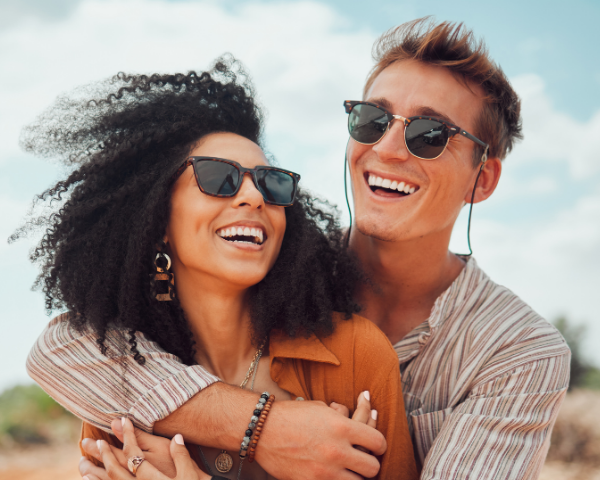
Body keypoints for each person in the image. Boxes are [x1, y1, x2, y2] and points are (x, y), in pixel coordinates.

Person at [27, 18, 570, 480]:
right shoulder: (270, 279)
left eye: (429, 134)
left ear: (483, 180)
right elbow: (61, 349)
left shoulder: (518, 355)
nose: (385, 148)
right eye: (372, 120)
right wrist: (263, 428)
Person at [20, 59, 418, 480]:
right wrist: (267, 430)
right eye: (217, 177)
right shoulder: (117, 383)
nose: (253, 195)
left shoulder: (356, 357)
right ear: (156, 223)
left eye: (271, 182)